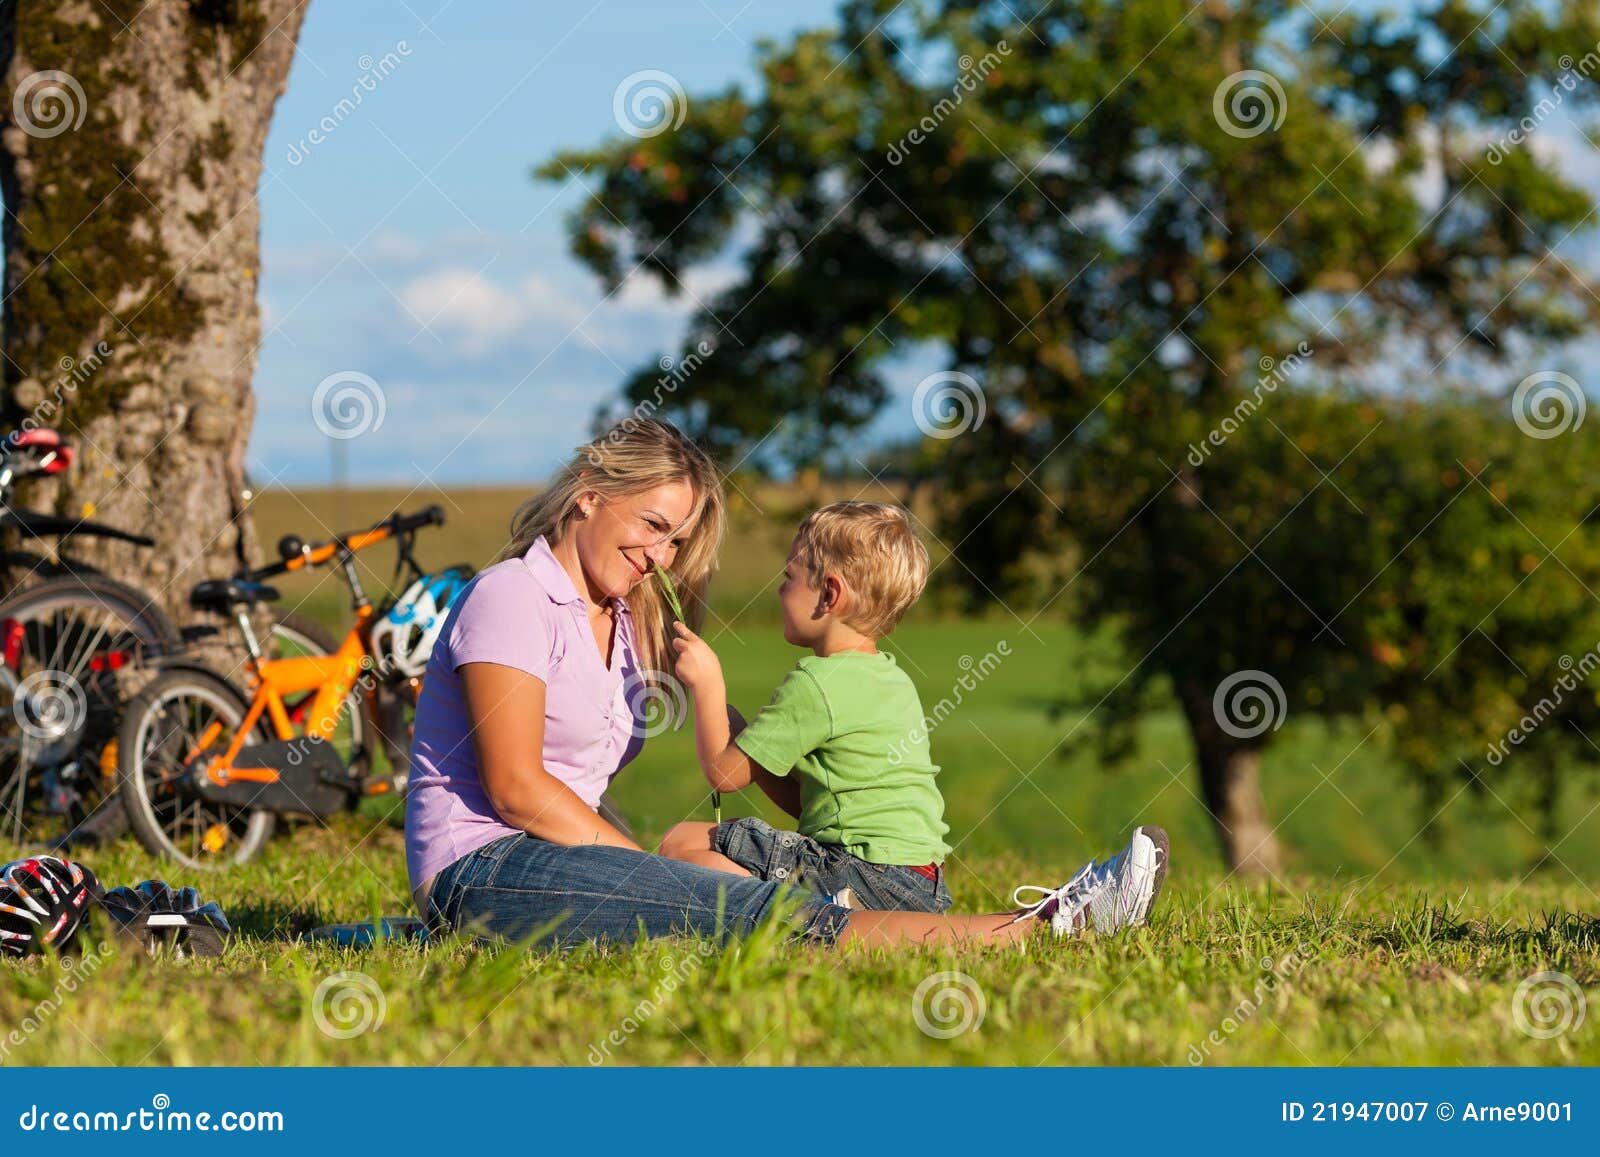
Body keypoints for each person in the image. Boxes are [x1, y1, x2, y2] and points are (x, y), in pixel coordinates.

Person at [405, 417, 1168, 951]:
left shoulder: (611, 620)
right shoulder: (512, 594)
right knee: (758, 914)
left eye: (676, 539)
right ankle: (1045, 928)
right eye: (652, 525)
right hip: (483, 865)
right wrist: (633, 866)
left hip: (551, 859)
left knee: (721, 897)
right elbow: (514, 788)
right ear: (588, 495)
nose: (662, 556)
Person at [658, 501, 955, 913]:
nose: (780, 590)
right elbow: (812, 803)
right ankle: (832, 907)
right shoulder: (891, 678)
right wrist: (753, 746)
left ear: (829, 594)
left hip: (862, 873)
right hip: (919, 884)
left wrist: (708, 684)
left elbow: (723, 774)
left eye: (789, 577)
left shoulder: (817, 682)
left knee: (680, 843)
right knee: (703, 844)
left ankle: (803, 914)